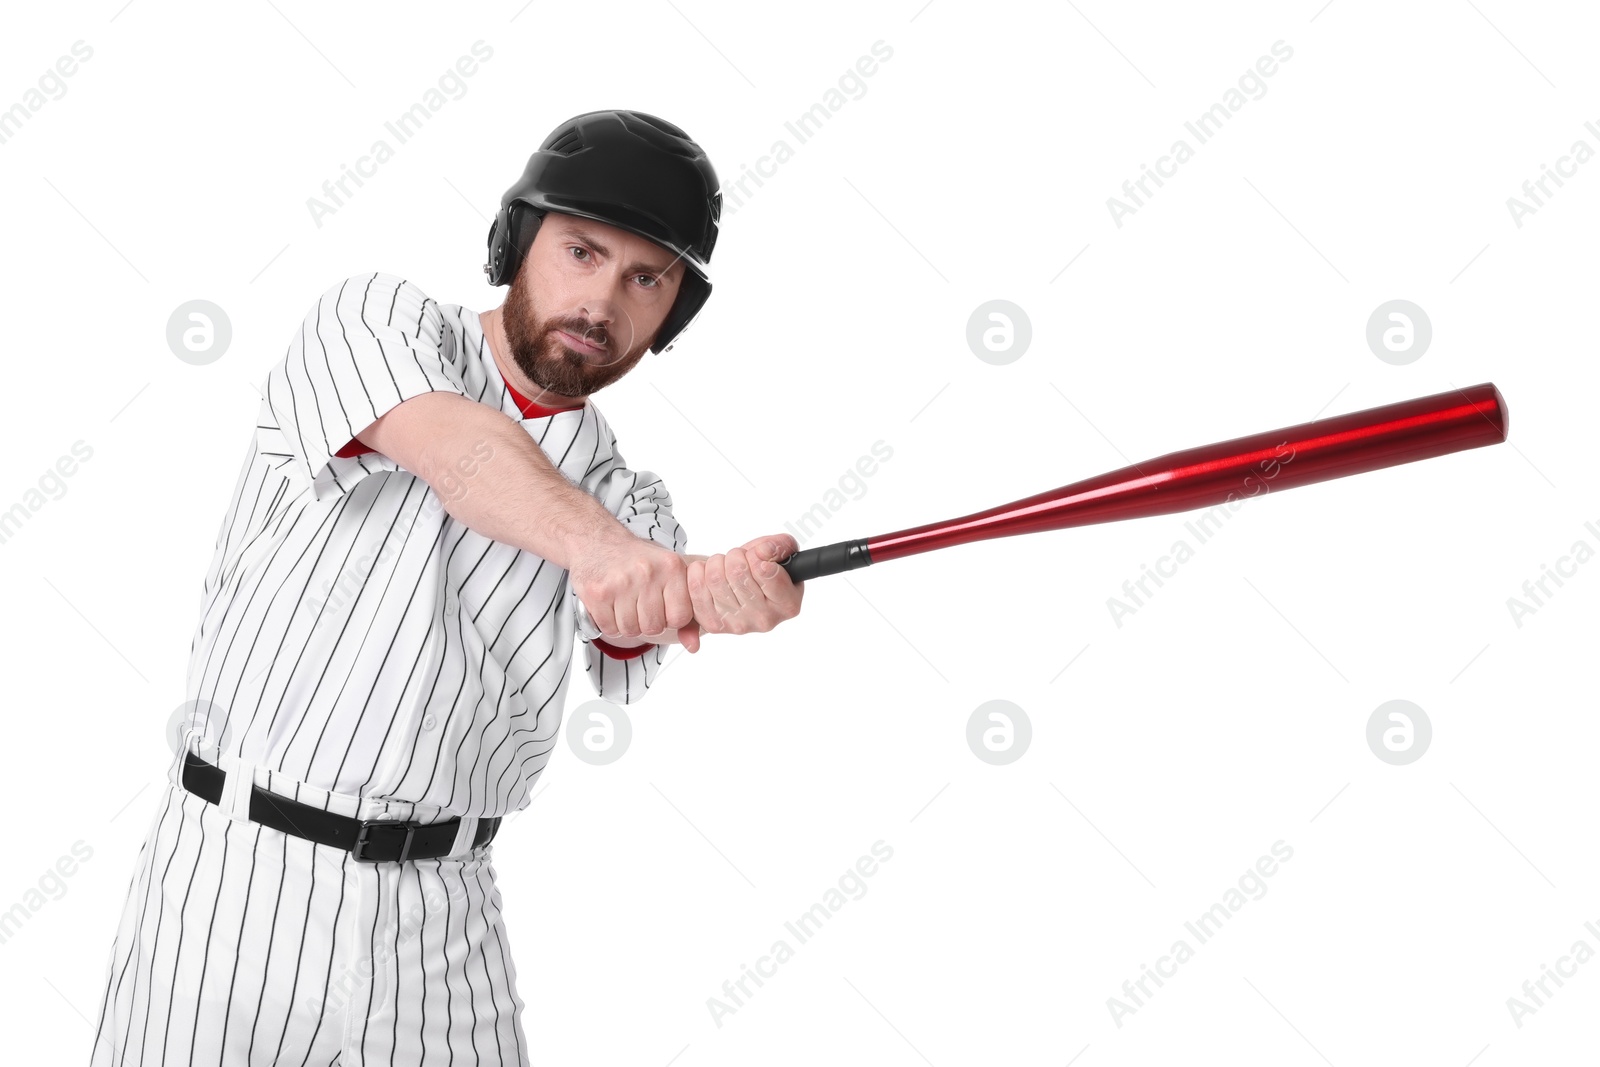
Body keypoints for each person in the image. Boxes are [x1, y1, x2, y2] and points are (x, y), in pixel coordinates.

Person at [89, 109, 802, 1067]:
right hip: (230, 883)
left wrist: (721, 592)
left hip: (443, 914)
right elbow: (459, 449)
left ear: (675, 312)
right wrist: (605, 554)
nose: (601, 303)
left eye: (645, 278)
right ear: (514, 241)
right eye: (582, 252)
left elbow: (638, 623)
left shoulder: (633, 505)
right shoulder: (372, 321)